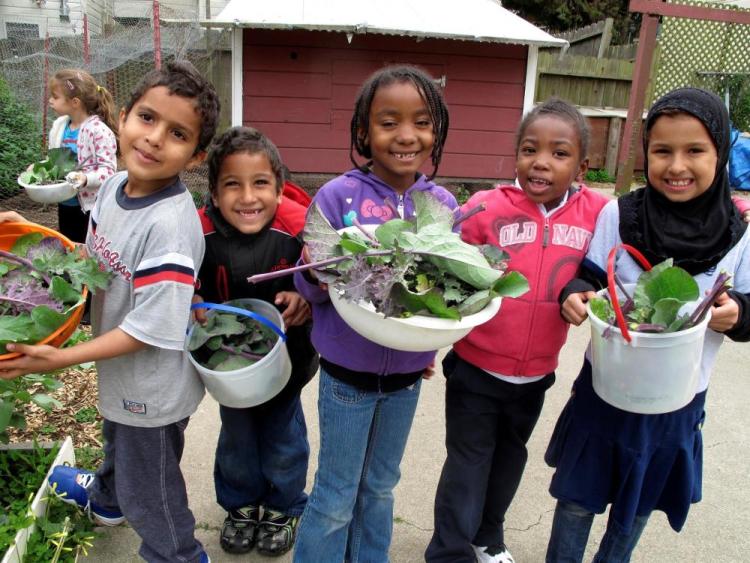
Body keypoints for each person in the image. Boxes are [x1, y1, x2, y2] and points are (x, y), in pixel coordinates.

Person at [0, 60, 221, 563]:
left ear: (195, 155)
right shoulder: (115, 189)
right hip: (123, 377)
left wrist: (59, 359)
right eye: (147, 118)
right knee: (115, 437)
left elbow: (149, 329)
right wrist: (38, 239)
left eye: (178, 133)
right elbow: (94, 256)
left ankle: (177, 553)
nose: (155, 138)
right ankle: (107, 502)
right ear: (123, 117)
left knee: (154, 491)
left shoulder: (169, 228)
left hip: (153, 388)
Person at [545, 88, 750, 562]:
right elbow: (591, 274)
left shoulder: (739, 234)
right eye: (662, 151)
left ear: (720, 152)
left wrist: (736, 311)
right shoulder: (620, 214)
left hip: (677, 400)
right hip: (605, 389)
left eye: (695, 151)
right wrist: (573, 294)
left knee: (637, 508)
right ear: (645, 154)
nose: (677, 166)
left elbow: (746, 306)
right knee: (577, 500)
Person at [425, 99, 609, 563]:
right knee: (468, 463)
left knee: (510, 460)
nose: (541, 162)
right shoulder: (484, 208)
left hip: (536, 374)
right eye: (530, 149)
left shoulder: (600, 214)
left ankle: (489, 538)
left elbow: (613, 265)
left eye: (559, 153)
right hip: (475, 368)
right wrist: (425, 339)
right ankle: (449, 551)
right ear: (516, 155)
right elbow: (440, 273)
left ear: (582, 166)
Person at [291, 64, 456, 563]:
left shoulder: (442, 204)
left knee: (381, 487)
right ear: (364, 131)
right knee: (337, 493)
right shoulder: (337, 196)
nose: (406, 135)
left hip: (406, 376)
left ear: (436, 131)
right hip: (345, 377)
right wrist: (316, 271)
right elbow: (312, 285)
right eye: (389, 122)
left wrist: (426, 344)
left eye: (421, 121)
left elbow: (442, 291)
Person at [193, 126, 318, 557]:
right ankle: (241, 505)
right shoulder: (198, 231)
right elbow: (180, 277)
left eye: (261, 183)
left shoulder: (301, 228)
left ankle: (284, 507)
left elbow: (332, 278)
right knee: (237, 436)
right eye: (233, 185)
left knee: (284, 436)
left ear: (280, 187)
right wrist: (192, 298)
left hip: (289, 360)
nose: (248, 197)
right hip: (230, 367)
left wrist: (307, 295)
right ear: (213, 190)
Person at [47, 68, 118, 243]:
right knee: (69, 245)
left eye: (55, 97)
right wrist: (42, 167)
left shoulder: (98, 132)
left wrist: (85, 178)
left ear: (75, 102)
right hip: (64, 202)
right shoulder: (59, 127)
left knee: (88, 251)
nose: (50, 101)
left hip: (89, 207)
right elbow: (56, 162)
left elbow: (109, 171)